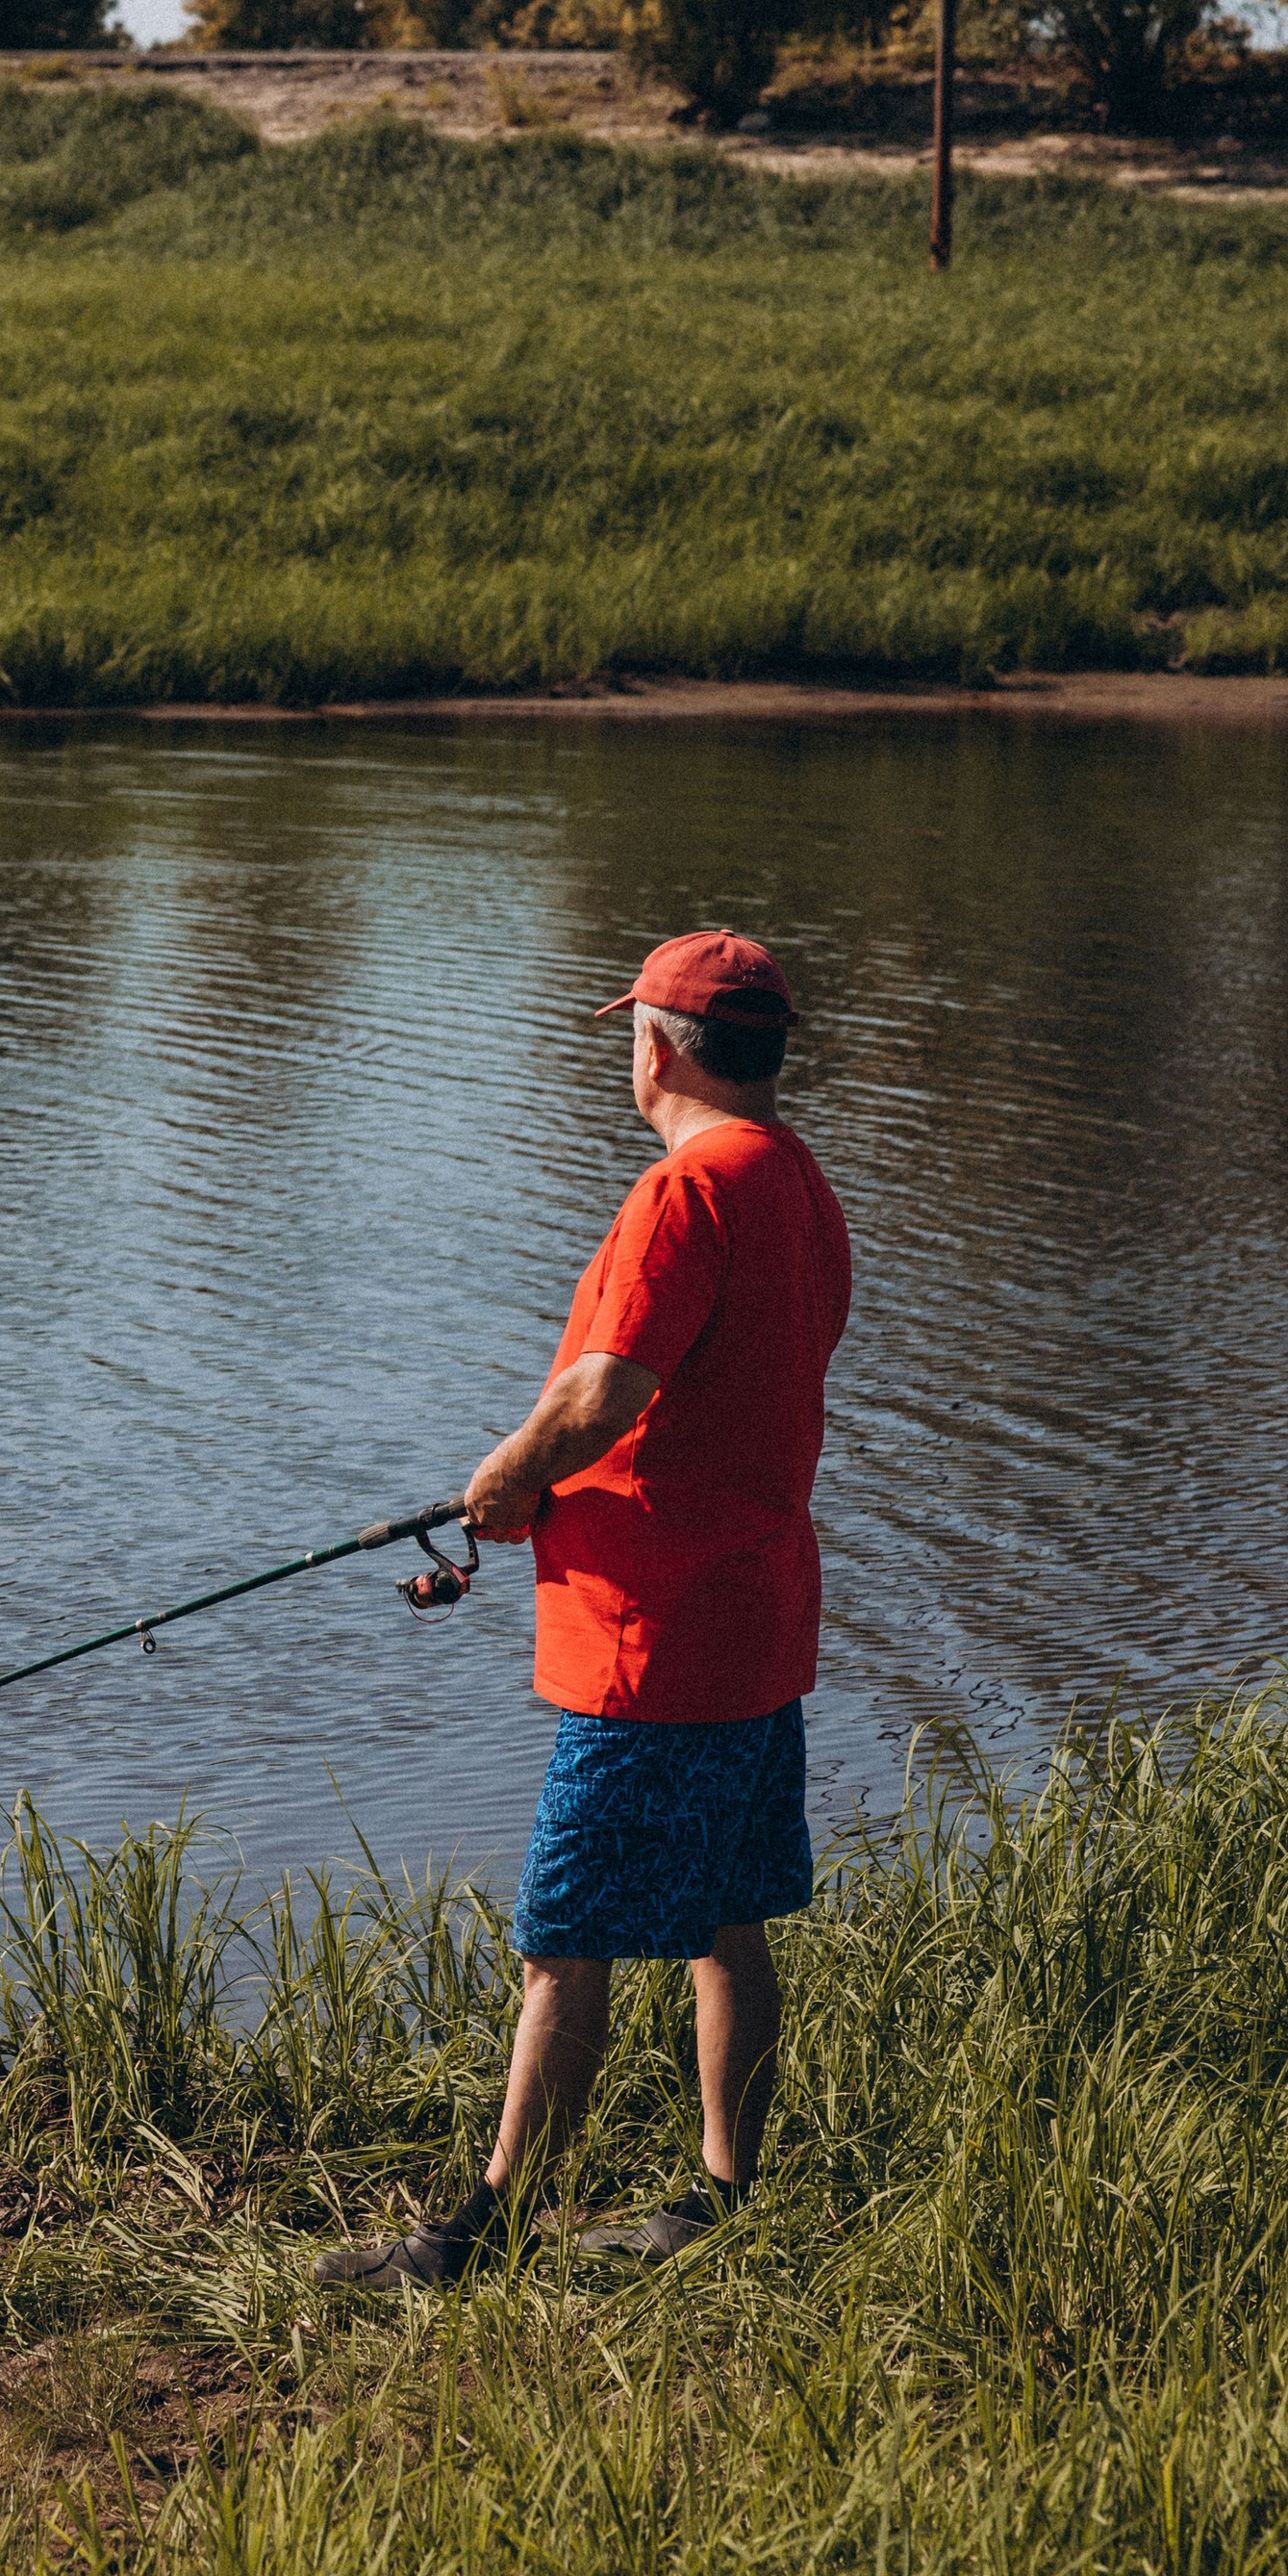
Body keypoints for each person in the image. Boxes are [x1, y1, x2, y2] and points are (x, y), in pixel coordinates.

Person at [316, 929, 850, 2291]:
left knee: (568, 1935)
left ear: (659, 1048)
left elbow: (603, 1392)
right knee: (731, 1919)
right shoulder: (800, 1183)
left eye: (633, 1032)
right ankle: (730, 2199)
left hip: (651, 1643)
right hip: (756, 1625)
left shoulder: (686, 1193)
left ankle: (476, 2235)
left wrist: (500, 1481)